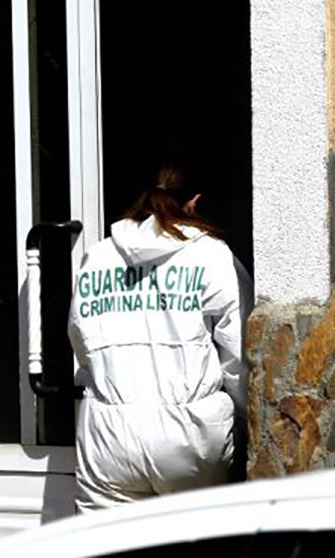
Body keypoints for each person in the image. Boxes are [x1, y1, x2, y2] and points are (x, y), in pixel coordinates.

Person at [68, 160, 252, 513]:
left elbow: (81, 339)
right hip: (191, 437)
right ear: (194, 202)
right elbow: (238, 355)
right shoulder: (213, 257)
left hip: (110, 435)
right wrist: (243, 421)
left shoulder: (98, 257)